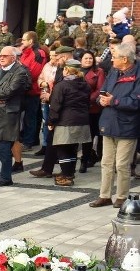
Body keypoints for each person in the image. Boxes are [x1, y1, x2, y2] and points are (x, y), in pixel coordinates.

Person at [90, 42, 140, 208]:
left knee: (121, 164)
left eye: (115, 57)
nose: (111, 60)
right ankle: (104, 195)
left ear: (125, 59)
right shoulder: (113, 72)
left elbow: (136, 102)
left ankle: (122, 196)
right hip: (108, 121)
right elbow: (102, 91)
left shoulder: (138, 75)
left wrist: (114, 101)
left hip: (127, 125)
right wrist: (101, 100)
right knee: (106, 162)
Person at [28, 59, 91, 187]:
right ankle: (69, 173)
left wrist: (51, 121)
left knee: (62, 149)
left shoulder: (61, 86)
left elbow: (55, 106)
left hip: (65, 121)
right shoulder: (85, 85)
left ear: (67, 70)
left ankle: (67, 176)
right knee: (73, 148)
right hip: (82, 121)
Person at [0, 47, 32, 186]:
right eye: (0, 55)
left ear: (13, 57)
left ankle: (6, 177)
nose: (1, 57)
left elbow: (9, 91)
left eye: (5, 55)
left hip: (8, 114)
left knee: (4, 148)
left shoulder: (20, 72)